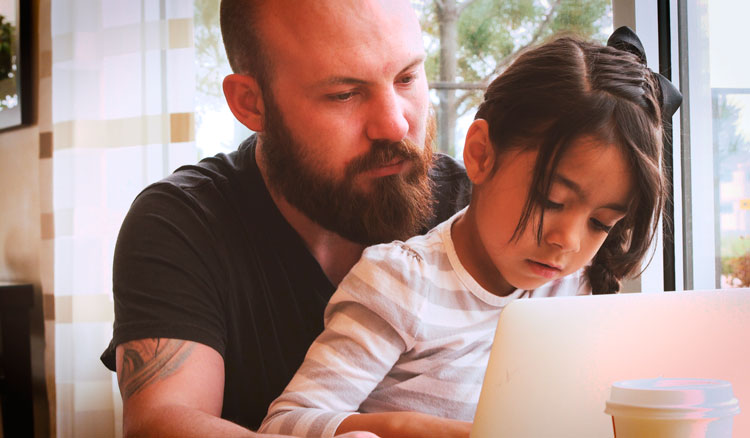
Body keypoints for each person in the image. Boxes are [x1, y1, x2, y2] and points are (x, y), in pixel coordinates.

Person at [257, 28, 682, 438]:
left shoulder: (574, 289)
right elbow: (284, 424)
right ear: (480, 153)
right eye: (551, 201)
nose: (568, 241)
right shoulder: (402, 284)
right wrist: (408, 428)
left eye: (600, 223)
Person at [99, 0, 471, 436]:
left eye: (407, 77)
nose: (394, 124)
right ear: (250, 103)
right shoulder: (183, 222)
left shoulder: (471, 208)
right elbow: (161, 424)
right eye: (344, 94)